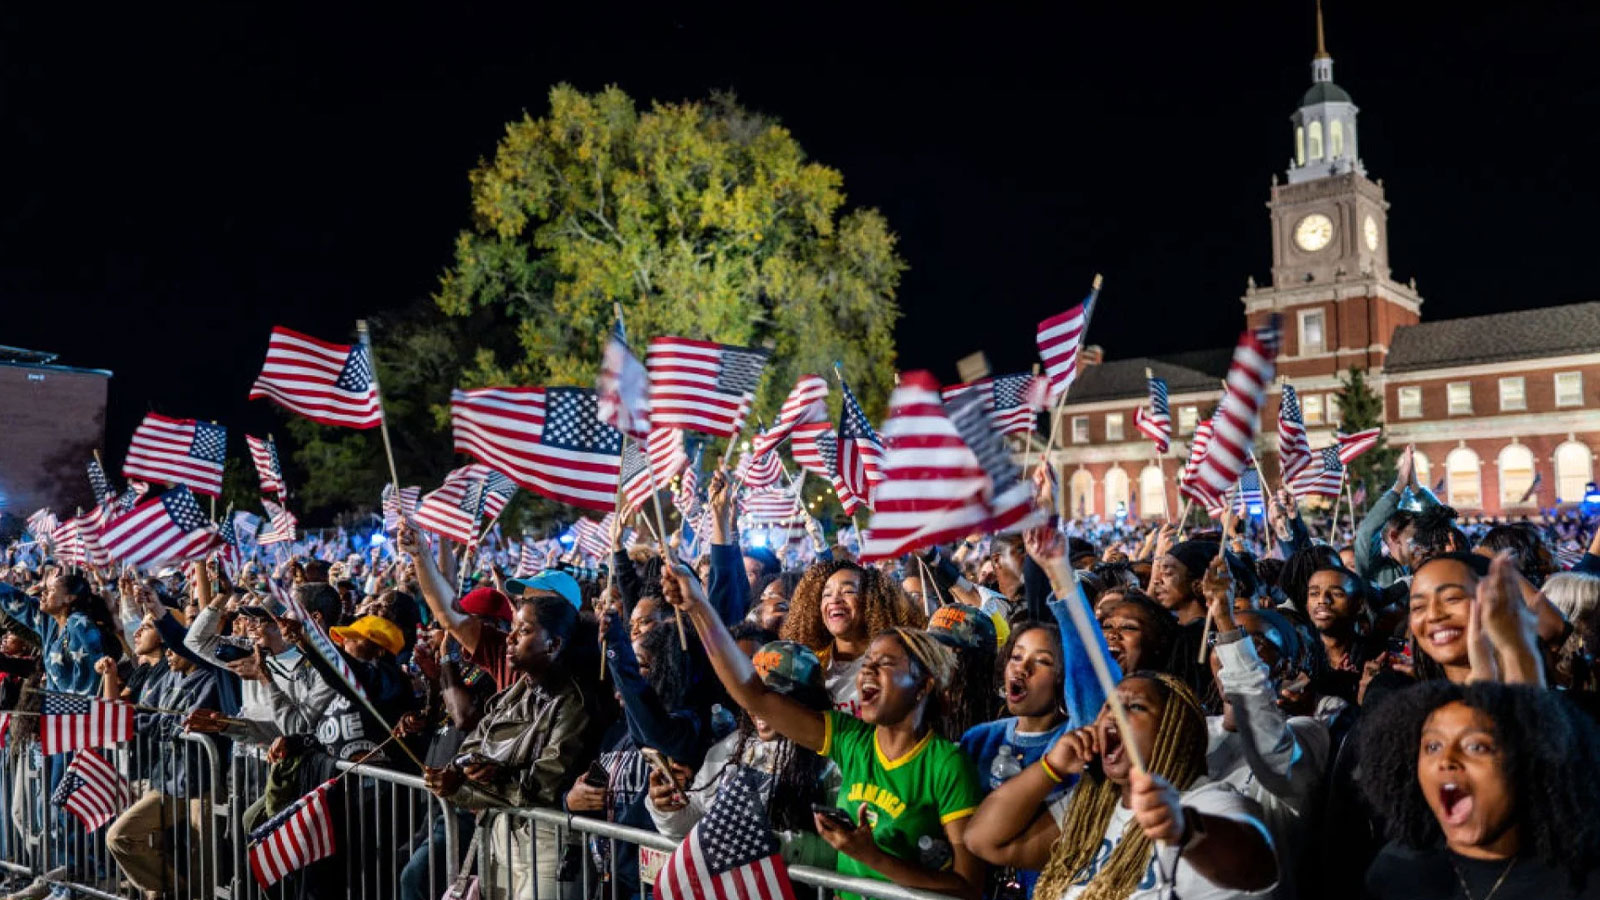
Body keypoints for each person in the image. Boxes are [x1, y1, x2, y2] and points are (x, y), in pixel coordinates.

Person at [664, 560, 985, 900]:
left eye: (886, 664)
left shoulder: (948, 765)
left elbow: (968, 886)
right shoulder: (851, 740)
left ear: (923, 686)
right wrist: (698, 606)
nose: (867, 673)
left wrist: (873, 857)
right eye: (868, 664)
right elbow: (755, 695)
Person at [965, 673, 1278, 900]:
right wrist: (1051, 768)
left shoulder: (1207, 801)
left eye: (1136, 706)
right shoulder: (1092, 808)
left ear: (1175, 729)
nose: (1113, 714)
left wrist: (1186, 829)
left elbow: (1258, 868)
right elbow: (985, 841)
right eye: (1109, 706)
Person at [1359, 681, 1600, 899]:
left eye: (1476, 746)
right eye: (1433, 746)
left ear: (1530, 762)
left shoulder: (1581, 882)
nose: (1447, 759)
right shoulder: (1394, 872)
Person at [423, 595, 590, 900]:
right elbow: (473, 746)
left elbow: (545, 784)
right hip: (501, 835)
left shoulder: (573, 702)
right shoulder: (516, 692)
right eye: (512, 628)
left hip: (547, 844)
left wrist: (481, 781)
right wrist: (458, 775)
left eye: (523, 631)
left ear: (553, 645)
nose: (509, 638)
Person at [645, 640, 840, 868]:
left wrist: (777, 845)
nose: (757, 706)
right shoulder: (729, 748)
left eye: (772, 695)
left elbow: (844, 852)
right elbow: (697, 823)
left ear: (806, 699)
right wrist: (667, 809)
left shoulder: (833, 757)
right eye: (752, 694)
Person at [779, 559, 926, 716]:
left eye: (848, 591)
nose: (834, 600)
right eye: (826, 594)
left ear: (871, 601)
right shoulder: (809, 664)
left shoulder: (893, 663)